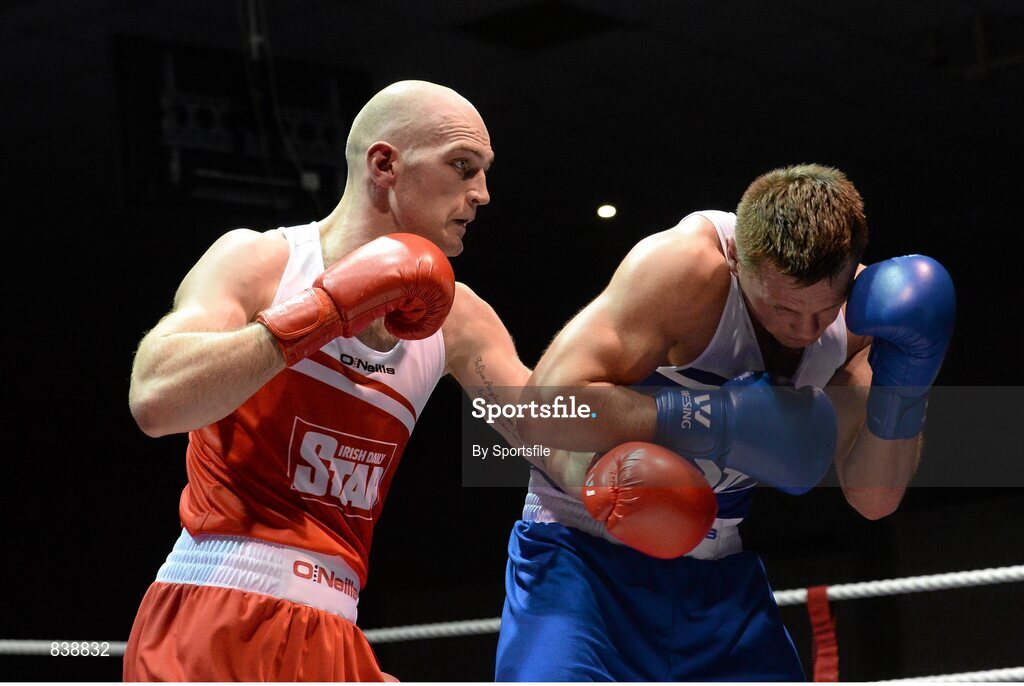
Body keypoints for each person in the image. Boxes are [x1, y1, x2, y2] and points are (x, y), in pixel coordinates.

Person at [123, 80, 536, 681]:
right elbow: (154, 401)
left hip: (335, 628)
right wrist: (322, 313)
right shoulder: (264, 263)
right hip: (214, 611)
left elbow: (546, 436)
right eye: (462, 167)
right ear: (385, 164)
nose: (482, 194)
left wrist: (681, 417)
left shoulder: (459, 320)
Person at [497, 164, 956, 681]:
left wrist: (909, 382)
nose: (804, 331)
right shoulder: (688, 268)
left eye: (823, 309)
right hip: (581, 555)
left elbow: (875, 499)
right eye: (782, 306)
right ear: (739, 259)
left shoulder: (861, 319)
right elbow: (540, 411)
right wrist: (701, 420)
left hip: (714, 572)